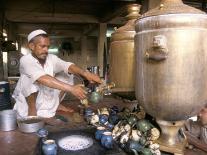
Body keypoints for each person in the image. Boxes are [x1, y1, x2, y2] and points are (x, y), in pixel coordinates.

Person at [12, 29, 102, 118]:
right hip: (29, 104)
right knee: (28, 79)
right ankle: (32, 113)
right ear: (32, 46)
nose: (46, 50)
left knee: (67, 74)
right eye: (42, 46)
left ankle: (56, 104)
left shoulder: (51, 58)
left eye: (48, 47)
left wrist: (86, 74)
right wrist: (72, 89)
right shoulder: (26, 60)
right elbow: (42, 78)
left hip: (46, 98)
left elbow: (67, 66)